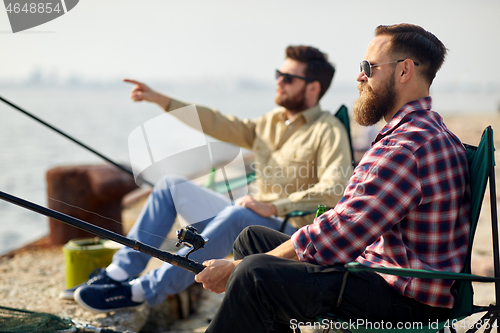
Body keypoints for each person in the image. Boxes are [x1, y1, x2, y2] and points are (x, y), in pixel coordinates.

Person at [195, 23, 472, 333]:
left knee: (253, 273)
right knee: (252, 240)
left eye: (368, 67)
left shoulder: (407, 146)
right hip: (384, 277)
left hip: (403, 301)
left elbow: (342, 233)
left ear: (404, 71)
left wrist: (233, 268)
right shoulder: (425, 130)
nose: (359, 77)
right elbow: (348, 224)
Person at [66, 45, 353, 313]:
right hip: (248, 216)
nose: (278, 81)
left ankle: (144, 291)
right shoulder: (271, 122)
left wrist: (275, 206)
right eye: (278, 74)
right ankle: (117, 274)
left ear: (313, 88)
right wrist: (162, 100)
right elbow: (217, 122)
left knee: (239, 214)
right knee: (170, 186)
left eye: (288, 77)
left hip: (288, 235)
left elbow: (333, 190)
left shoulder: (329, 130)